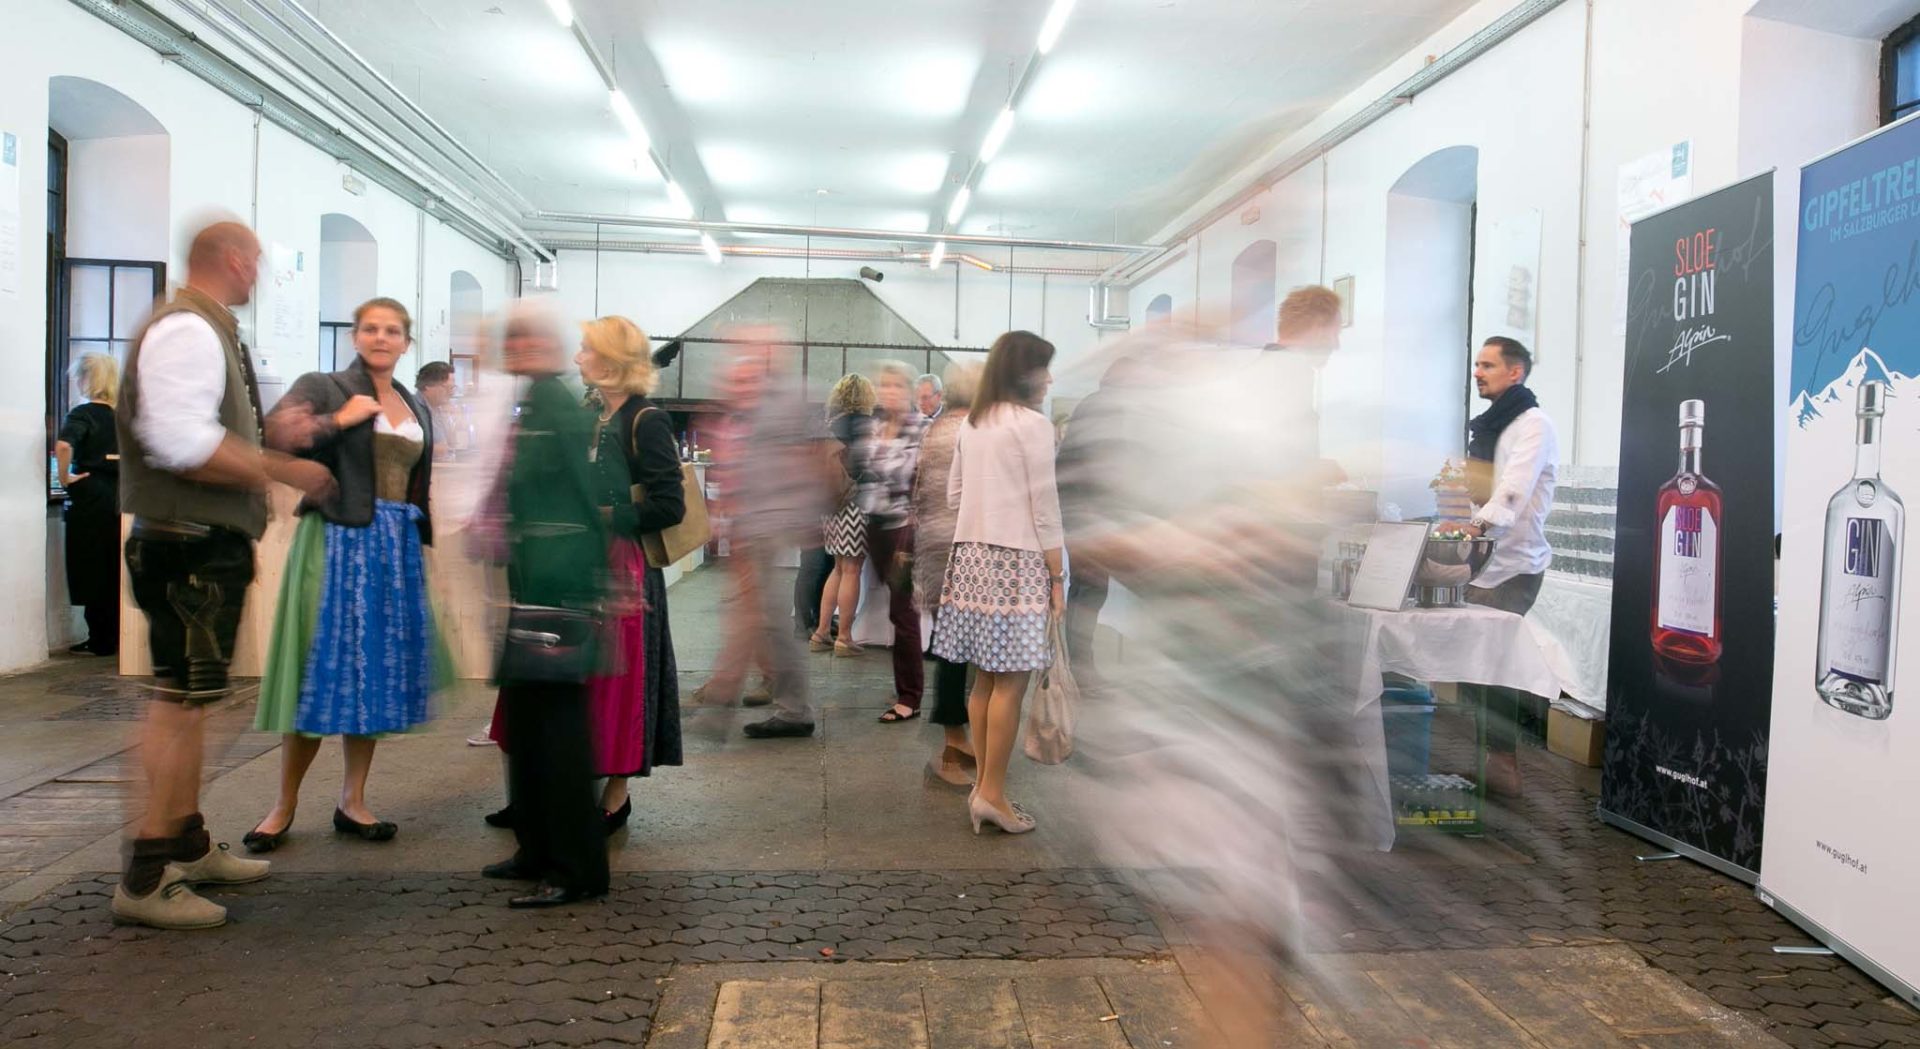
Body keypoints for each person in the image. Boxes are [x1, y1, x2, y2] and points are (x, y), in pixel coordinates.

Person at [111, 219, 335, 929]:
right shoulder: (186, 328)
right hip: (187, 545)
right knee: (177, 703)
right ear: (235, 260)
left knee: (195, 699)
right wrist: (279, 465)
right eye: (259, 261)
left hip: (203, 543)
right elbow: (180, 440)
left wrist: (273, 435)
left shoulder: (209, 327)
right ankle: (147, 877)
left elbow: (202, 428)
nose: (261, 274)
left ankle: (188, 842)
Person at [244, 297, 440, 852]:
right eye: (371, 328)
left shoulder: (414, 404)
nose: (381, 338)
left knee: (370, 673)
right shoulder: (323, 385)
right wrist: (338, 420)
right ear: (355, 336)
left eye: (393, 330)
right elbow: (275, 437)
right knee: (317, 668)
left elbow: (417, 483)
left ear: (406, 342)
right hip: (335, 542)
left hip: (393, 546)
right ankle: (282, 806)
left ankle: (353, 801)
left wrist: (421, 542)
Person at [480, 299, 617, 907]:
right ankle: (536, 850)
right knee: (531, 728)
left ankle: (576, 870)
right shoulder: (538, 402)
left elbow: (582, 500)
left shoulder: (555, 406)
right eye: (514, 340)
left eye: (529, 340)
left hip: (556, 591)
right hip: (538, 585)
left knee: (557, 737)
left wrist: (587, 583)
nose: (519, 349)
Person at [930, 331, 1064, 835]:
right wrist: (1057, 575)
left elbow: (954, 494)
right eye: (1044, 368)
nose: (1050, 378)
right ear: (1023, 372)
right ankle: (991, 794)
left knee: (985, 680)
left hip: (969, 559)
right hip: (1019, 562)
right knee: (1011, 682)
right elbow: (1045, 509)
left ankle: (984, 788)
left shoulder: (973, 422)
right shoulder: (1033, 426)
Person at [574, 315, 684, 832]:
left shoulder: (647, 419)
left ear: (612, 361)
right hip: (586, 562)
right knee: (588, 681)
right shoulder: (595, 414)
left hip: (625, 565)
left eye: (586, 350)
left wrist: (605, 517)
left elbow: (669, 506)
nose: (577, 358)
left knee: (622, 683)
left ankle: (615, 797)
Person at [1454, 336, 1558, 796]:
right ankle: (1493, 765)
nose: (1478, 371)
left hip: (1515, 565)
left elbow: (1512, 491)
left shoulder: (1534, 425)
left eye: (1488, 365)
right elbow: (1479, 487)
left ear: (1515, 372)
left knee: (1494, 665)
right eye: (1476, 364)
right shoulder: (1490, 426)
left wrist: (1473, 529)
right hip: (1481, 565)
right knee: (1476, 668)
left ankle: (1505, 769)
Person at [737, 332, 832, 739]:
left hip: (772, 522)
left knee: (772, 617)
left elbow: (813, 459)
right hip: (760, 521)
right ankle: (783, 696)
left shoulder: (794, 397)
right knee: (766, 617)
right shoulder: (763, 398)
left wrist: (805, 514)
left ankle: (793, 707)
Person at [913, 361, 982, 786]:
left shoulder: (938, 429)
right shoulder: (963, 432)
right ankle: (954, 742)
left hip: (940, 554)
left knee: (954, 650)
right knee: (957, 654)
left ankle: (959, 737)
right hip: (957, 557)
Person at [864, 361, 928, 723]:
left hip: (907, 528)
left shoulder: (922, 428)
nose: (887, 391)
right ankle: (907, 687)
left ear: (909, 390)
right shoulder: (874, 427)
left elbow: (924, 482)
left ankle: (910, 696)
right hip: (875, 526)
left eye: (895, 385)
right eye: (882, 385)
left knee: (903, 612)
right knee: (895, 610)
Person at [56, 353, 122, 657]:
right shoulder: (125, 416)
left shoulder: (82, 414)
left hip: (91, 495)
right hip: (122, 495)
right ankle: (119, 636)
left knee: (92, 566)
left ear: (87, 379)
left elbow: (64, 444)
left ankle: (100, 638)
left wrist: (65, 477)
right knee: (115, 566)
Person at [808, 374, 875, 657]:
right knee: (852, 570)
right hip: (854, 504)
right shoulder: (863, 425)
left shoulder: (828, 423)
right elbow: (866, 465)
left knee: (837, 568)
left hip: (830, 504)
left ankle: (821, 632)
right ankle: (844, 637)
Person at [414, 360, 461, 462]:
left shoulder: (438, 408)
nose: (451, 394)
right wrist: (435, 449)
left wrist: (452, 422)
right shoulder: (411, 408)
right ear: (427, 385)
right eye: (447, 388)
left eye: (453, 388)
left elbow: (452, 443)